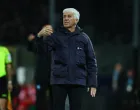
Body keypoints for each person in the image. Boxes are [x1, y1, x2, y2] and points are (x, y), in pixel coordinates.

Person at [37, 8, 98, 110]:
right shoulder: (55, 36)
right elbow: (41, 51)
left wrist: (93, 84)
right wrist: (39, 36)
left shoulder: (84, 38)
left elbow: (91, 62)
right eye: (64, 16)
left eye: (69, 16)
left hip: (78, 81)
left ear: (76, 20)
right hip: (59, 81)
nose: (66, 19)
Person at [27, 34, 52, 110]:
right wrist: (31, 40)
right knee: (40, 97)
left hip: (53, 77)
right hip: (40, 78)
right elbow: (30, 47)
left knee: (54, 98)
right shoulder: (39, 45)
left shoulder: (56, 45)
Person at [0, 45, 13, 110]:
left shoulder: (5, 50)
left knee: (2, 107)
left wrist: (10, 82)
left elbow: (9, 66)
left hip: (1, 80)